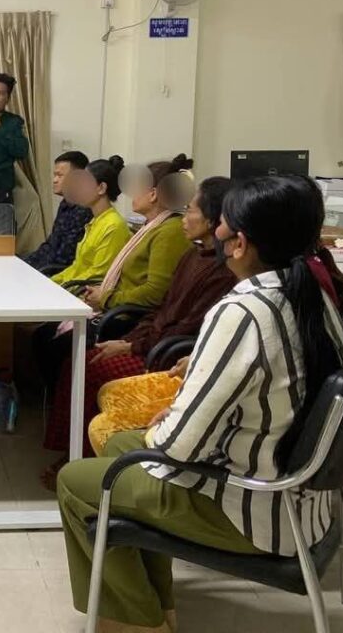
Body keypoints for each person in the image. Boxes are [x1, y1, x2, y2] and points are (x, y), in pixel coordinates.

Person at [56, 174, 343, 633]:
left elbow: (179, 446)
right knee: (118, 445)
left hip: (252, 511)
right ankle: (159, 608)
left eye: (222, 225)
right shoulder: (314, 295)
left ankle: (138, 625)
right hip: (303, 502)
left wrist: (168, 424)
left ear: (239, 243)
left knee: (76, 481)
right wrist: (172, 423)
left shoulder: (243, 313)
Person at [38, 177, 235, 485]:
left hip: (168, 355)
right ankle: (72, 450)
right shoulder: (192, 255)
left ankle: (83, 458)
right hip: (150, 338)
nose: (184, 218)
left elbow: (186, 325)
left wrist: (132, 346)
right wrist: (129, 339)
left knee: (89, 367)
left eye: (191, 211)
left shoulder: (221, 271)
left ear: (212, 221)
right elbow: (163, 308)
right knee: (76, 360)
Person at [77, 155, 195, 313]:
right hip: (117, 307)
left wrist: (106, 298)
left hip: (128, 317)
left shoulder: (170, 232)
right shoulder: (151, 227)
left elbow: (155, 293)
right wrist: (101, 292)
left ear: (153, 194)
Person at [50, 157, 131, 288]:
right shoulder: (95, 221)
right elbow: (77, 267)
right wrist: (52, 282)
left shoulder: (114, 226)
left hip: (83, 293)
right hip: (71, 287)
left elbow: (97, 275)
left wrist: (61, 287)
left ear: (101, 188)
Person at [23, 150, 92, 272]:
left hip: (59, 272)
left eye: (60, 176)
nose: (54, 180)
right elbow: (51, 244)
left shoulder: (84, 210)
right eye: (54, 175)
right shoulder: (65, 203)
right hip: (46, 264)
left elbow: (66, 257)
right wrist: (28, 261)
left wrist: (32, 267)